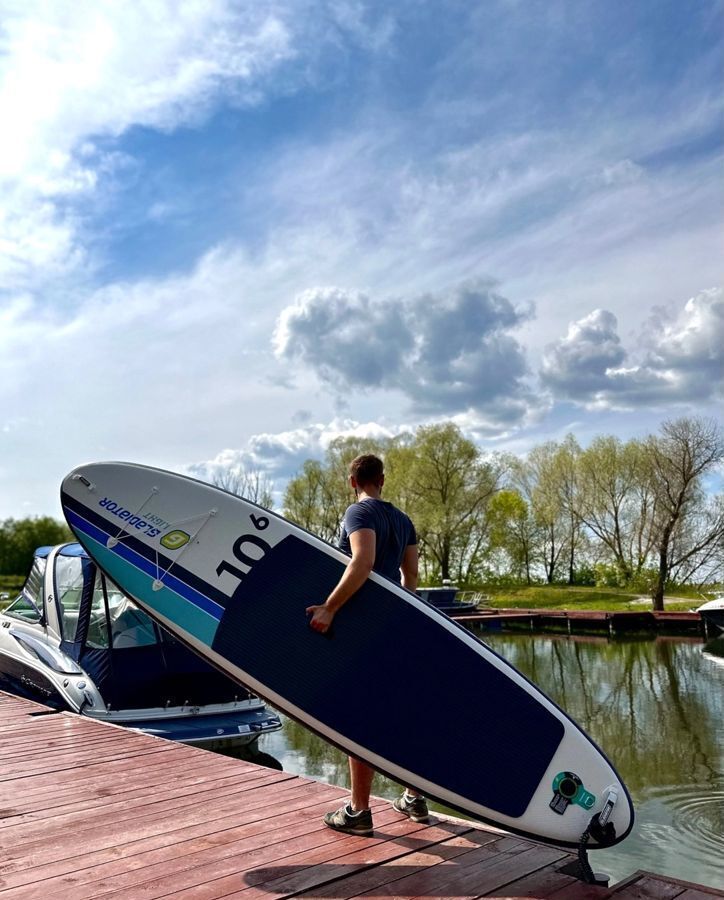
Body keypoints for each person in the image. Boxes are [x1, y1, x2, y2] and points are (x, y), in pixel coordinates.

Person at [306, 453, 428, 837]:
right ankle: (414, 796)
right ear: (383, 480)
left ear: (352, 481)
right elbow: (411, 578)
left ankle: (359, 811)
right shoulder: (404, 520)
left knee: (359, 716)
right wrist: (400, 615)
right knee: (403, 710)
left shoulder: (358, 514)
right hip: (393, 626)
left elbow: (362, 562)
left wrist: (330, 607)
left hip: (361, 627)